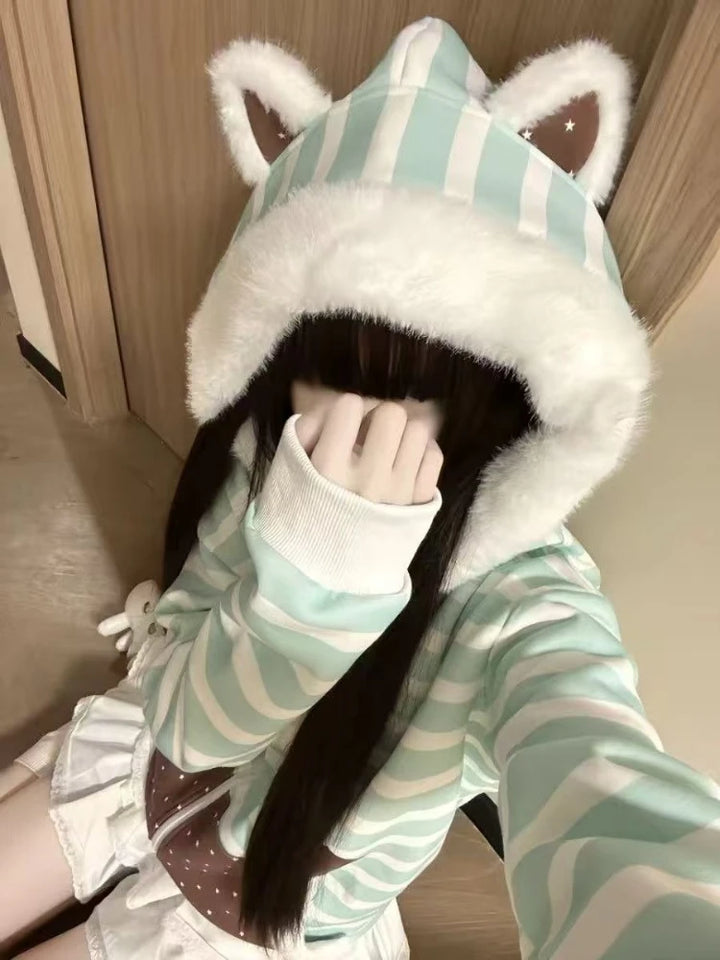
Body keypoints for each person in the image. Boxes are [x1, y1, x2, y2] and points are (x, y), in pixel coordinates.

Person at [2, 17, 719, 960]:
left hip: (261, 901)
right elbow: (182, 705)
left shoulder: (524, 610)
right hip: (150, 755)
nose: (363, 427)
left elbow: (606, 799)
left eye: (430, 384)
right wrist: (304, 579)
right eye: (326, 367)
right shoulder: (267, 450)